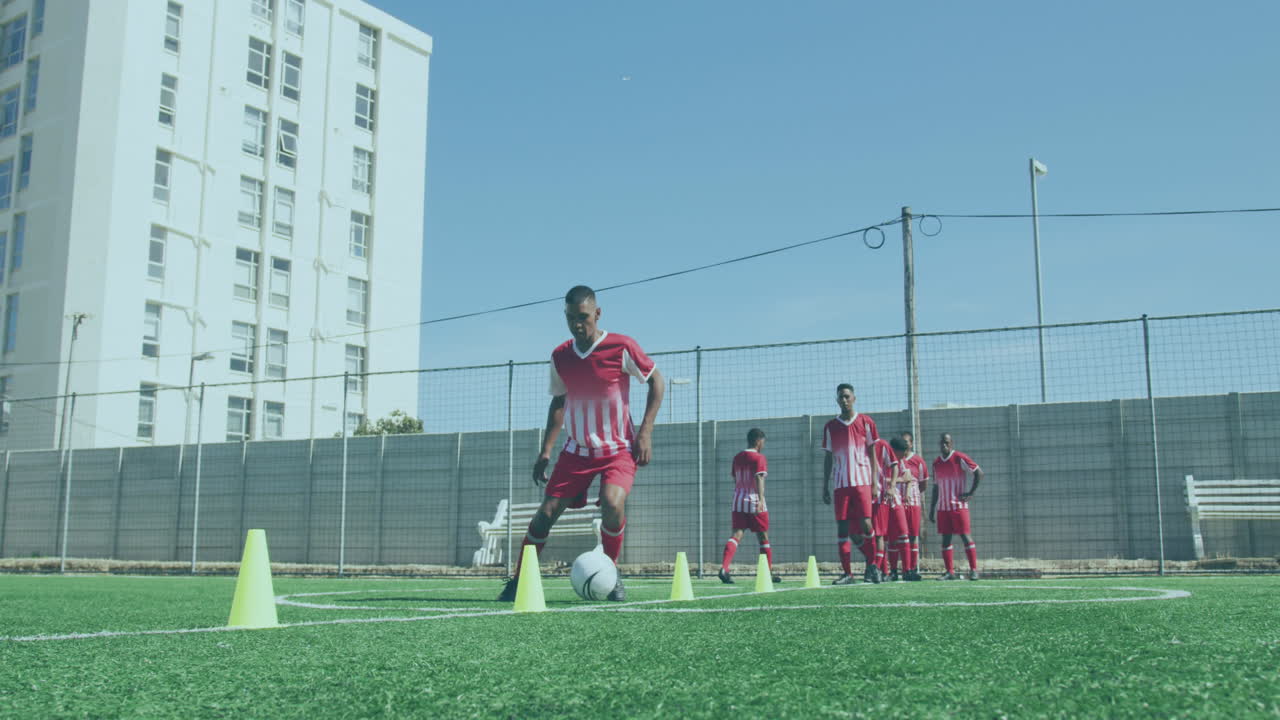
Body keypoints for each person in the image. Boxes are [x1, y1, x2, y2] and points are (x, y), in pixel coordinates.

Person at [498, 286, 664, 602]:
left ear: (597, 314)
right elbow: (559, 402)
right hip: (576, 452)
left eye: (584, 318)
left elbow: (657, 380)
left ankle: (611, 575)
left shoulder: (621, 346)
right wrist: (546, 450)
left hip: (617, 449)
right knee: (545, 513)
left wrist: (645, 432)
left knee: (613, 503)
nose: (578, 325)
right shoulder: (561, 356)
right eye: (571, 318)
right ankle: (519, 581)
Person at [820, 384, 880, 585]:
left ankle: (873, 566)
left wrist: (874, 482)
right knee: (843, 528)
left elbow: (872, 453)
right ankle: (848, 574)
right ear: (837, 401)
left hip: (862, 482)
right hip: (840, 485)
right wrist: (824, 485)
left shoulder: (866, 422)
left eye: (847, 396)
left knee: (866, 524)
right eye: (840, 397)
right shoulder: (830, 426)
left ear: (854, 398)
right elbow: (828, 457)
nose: (844, 400)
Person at [718, 428, 781, 584]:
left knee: (736, 535)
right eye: (763, 442)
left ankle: (724, 568)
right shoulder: (759, 458)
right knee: (763, 537)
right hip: (754, 501)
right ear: (759, 441)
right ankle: (767, 573)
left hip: (738, 500)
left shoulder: (737, 457)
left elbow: (735, 478)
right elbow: (759, 479)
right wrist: (760, 499)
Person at [929, 432, 984, 581]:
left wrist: (970, 492)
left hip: (958, 506)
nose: (944, 445)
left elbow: (979, 472)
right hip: (943, 507)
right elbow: (935, 487)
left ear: (951, 444)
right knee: (946, 539)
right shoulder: (936, 463)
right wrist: (932, 508)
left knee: (965, 536)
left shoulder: (959, 458)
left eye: (947, 442)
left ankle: (974, 570)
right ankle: (949, 572)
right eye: (942, 443)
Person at [894, 431, 929, 581]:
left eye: (907, 441)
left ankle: (912, 568)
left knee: (913, 536)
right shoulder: (895, 460)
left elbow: (923, 483)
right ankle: (895, 570)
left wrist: (913, 493)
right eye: (902, 441)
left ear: (912, 443)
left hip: (913, 502)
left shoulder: (918, 461)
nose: (905, 444)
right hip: (897, 502)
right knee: (897, 536)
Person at [870, 435, 899, 582]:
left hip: (879, 497)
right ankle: (879, 570)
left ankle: (876, 569)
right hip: (862, 496)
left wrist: (892, 486)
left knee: (879, 534)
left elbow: (895, 465)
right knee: (866, 534)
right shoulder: (855, 444)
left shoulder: (882, 445)